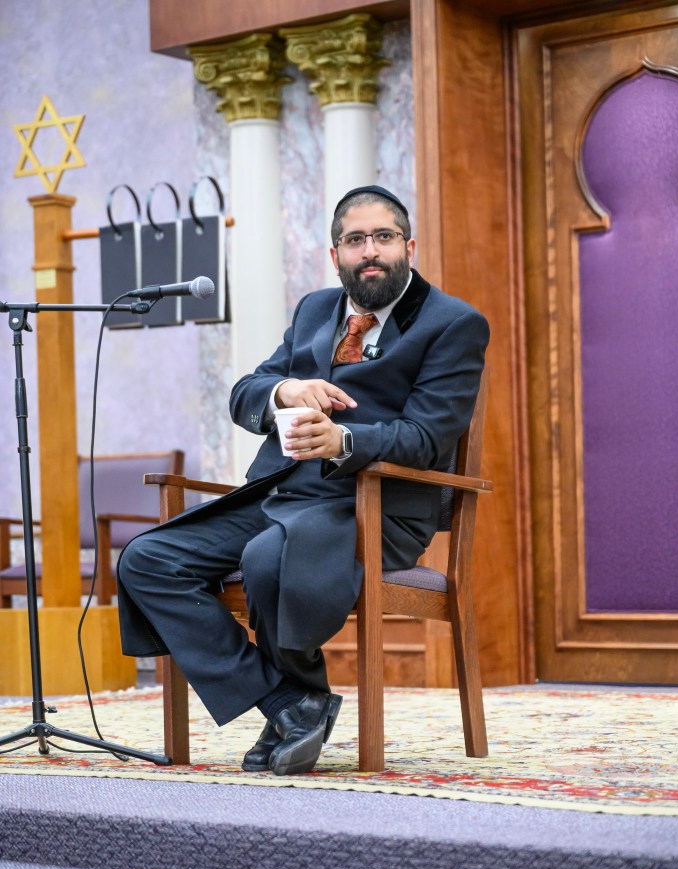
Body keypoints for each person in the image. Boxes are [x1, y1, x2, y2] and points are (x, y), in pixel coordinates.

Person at [117, 185, 489, 776]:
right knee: (147, 560)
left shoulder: (453, 324)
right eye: (355, 240)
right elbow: (244, 393)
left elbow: (425, 438)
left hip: (374, 505)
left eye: (384, 237)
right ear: (336, 255)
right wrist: (284, 390)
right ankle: (289, 703)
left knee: (268, 558)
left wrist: (343, 441)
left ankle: (295, 702)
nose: (370, 250)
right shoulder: (315, 310)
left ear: (409, 247)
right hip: (281, 493)